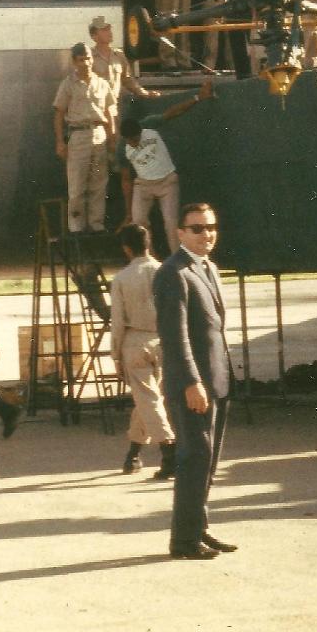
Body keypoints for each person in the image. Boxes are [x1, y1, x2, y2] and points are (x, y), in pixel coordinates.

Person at [153, 203, 237, 560]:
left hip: (216, 381)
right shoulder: (173, 273)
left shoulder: (208, 269)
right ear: (180, 233)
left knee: (207, 461)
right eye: (198, 228)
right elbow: (175, 336)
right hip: (193, 386)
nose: (207, 234)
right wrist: (191, 382)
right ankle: (183, 542)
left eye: (211, 226)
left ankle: (198, 528)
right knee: (193, 459)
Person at [110, 224, 175, 479]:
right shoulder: (164, 271)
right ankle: (133, 453)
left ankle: (168, 449)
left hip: (135, 340)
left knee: (148, 399)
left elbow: (117, 321)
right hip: (163, 340)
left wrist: (115, 354)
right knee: (148, 399)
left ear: (127, 249)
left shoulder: (122, 278)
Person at [118, 80, 213, 251]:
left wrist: (198, 97)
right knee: (138, 223)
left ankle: (176, 262)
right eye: (130, 141)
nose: (134, 143)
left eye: (136, 138)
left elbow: (173, 112)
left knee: (171, 223)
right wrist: (127, 211)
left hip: (167, 181)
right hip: (143, 184)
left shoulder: (149, 125)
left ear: (140, 131)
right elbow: (125, 179)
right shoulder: (122, 148)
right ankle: (147, 262)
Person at [53, 42, 115, 233]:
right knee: (77, 186)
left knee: (99, 184)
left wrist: (112, 137)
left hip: (99, 134)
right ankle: (77, 227)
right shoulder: (68, 84)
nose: (86, 63)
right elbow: (59, 114)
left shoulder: (102, 83)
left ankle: (96, 224)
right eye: (82, 59)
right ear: (74, 61)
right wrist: (60, 142)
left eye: (88, 58)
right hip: (78, 135)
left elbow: (109, 111)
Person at [88, 15, 158, 128]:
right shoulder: (89, 57)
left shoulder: (119, 55)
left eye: (109, 29)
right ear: (94, 36)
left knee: (116, 142)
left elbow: (128, 80)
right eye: (104, 30)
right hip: (95, 112)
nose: (109, 32)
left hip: (114, 109)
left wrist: (144, 92)